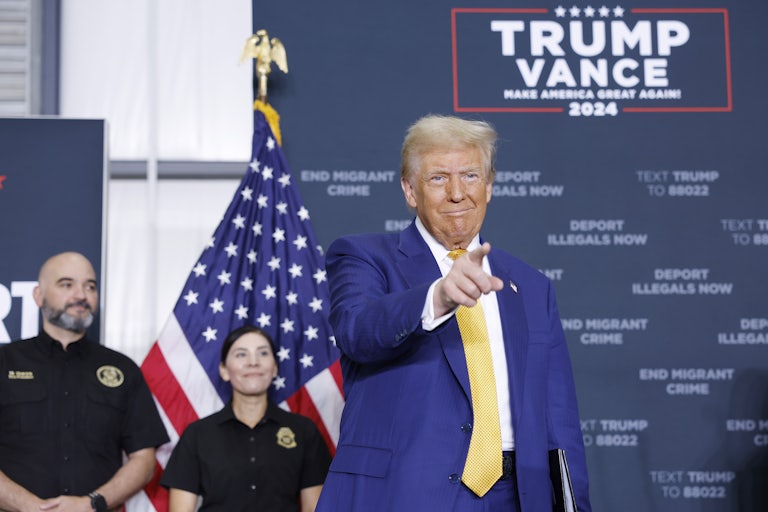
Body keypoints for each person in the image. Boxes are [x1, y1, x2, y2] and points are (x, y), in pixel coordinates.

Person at [316, 115, 591, 511]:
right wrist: (438, 297)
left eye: (471, 176)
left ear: (490, 187)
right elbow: (357, 330)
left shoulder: (531, 286)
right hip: (405, 492)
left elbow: (558, 417)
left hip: (515, 496)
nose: (457, 193)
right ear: (410, 190)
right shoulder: (364, 256)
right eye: (439, 178)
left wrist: (574, 505)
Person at [0, 251, 169, 512]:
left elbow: (144, 460)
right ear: (38, 295)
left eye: (90, 286)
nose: (81, 295)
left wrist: (93, 503)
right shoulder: (5, 362)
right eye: (67, 284)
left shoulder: (123, 370)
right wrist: (29, 507)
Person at [160, 325, 332, 512]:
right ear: (224, 370)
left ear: (274, 368)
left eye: (263, 353)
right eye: (241, 354)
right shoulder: (197, 435)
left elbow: (315, 508)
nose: (253, 362)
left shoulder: (304, 431)